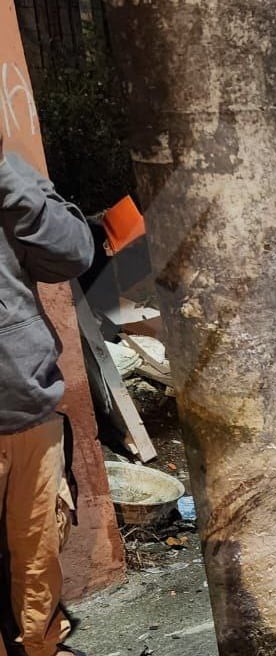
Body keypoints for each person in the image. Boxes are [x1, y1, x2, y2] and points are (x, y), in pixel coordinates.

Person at [0, 133, 93, 656]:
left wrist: (3, 176)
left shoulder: (10, 174)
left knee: (39, 564)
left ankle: (43, 648)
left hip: (29, 410)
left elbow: (74, 252)